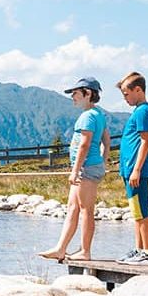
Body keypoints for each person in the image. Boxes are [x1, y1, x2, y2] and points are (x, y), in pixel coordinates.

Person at [37, 77, 108, 262]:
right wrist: (103, 161)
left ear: (88, 93)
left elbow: (84, 145)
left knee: (86, 210)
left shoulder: (88, 116)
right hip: (89, 166)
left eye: (76, 93)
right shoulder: (98, 114)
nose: (73, 97)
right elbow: (106, 140)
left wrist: (75, 170)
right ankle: (60, 248)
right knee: (73, 208)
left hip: (85, 168)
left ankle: (85, 251)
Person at [115, 72, 148, 264]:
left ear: (138, 90)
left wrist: (137, 169)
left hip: (136, 170)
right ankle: (139, 248)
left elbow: (147, 141)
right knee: (136, 211)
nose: (125, 98)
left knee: (142, 210)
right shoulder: (138, 111)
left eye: (126, 93)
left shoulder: (143, 111)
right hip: (129, 169)